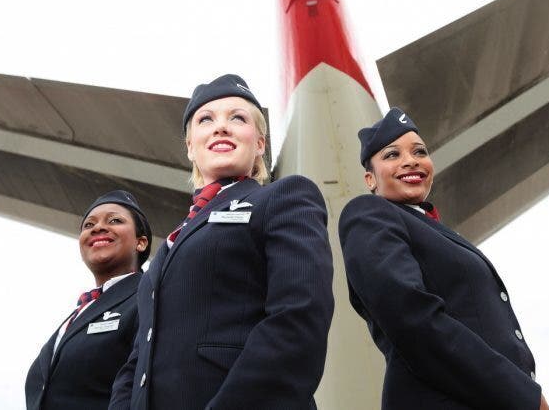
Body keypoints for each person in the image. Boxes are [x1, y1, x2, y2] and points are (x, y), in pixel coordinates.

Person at [109, 74, 334, 410]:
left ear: (260, 143)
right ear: (190, 147)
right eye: (206, 120)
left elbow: (298, 317)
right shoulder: (171, 244)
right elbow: (138, 359)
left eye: (237, 118)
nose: (221, 128)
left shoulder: (283, 197)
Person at [338, 107, 549, 410]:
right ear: (370, 179)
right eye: (392, 155)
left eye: (419, 152)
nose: (410, 160)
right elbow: (413, 320)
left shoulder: (431, 229)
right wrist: (526, 396)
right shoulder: (369, 214)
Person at [25, 190, 152, 410]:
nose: (97, 228)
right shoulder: (77, 314)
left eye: (115, 220)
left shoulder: (148, 296)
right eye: (88, 225)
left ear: (140, 243)